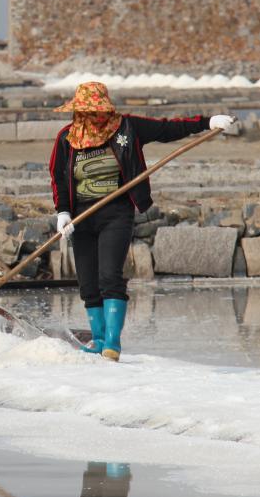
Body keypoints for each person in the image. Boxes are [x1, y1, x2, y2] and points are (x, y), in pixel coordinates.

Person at [49, 81, 235, 360]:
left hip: (116, 213)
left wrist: (208, 122)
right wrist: (62, 212)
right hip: (80, 218)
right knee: (88, 283)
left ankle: (112, 342)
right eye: (85, 111)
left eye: (94, 111)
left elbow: (168, 128)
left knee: (109, 276)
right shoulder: (66, 138)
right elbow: (59, 179)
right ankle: (97, 339)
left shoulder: (127, 128)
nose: (91, 117)